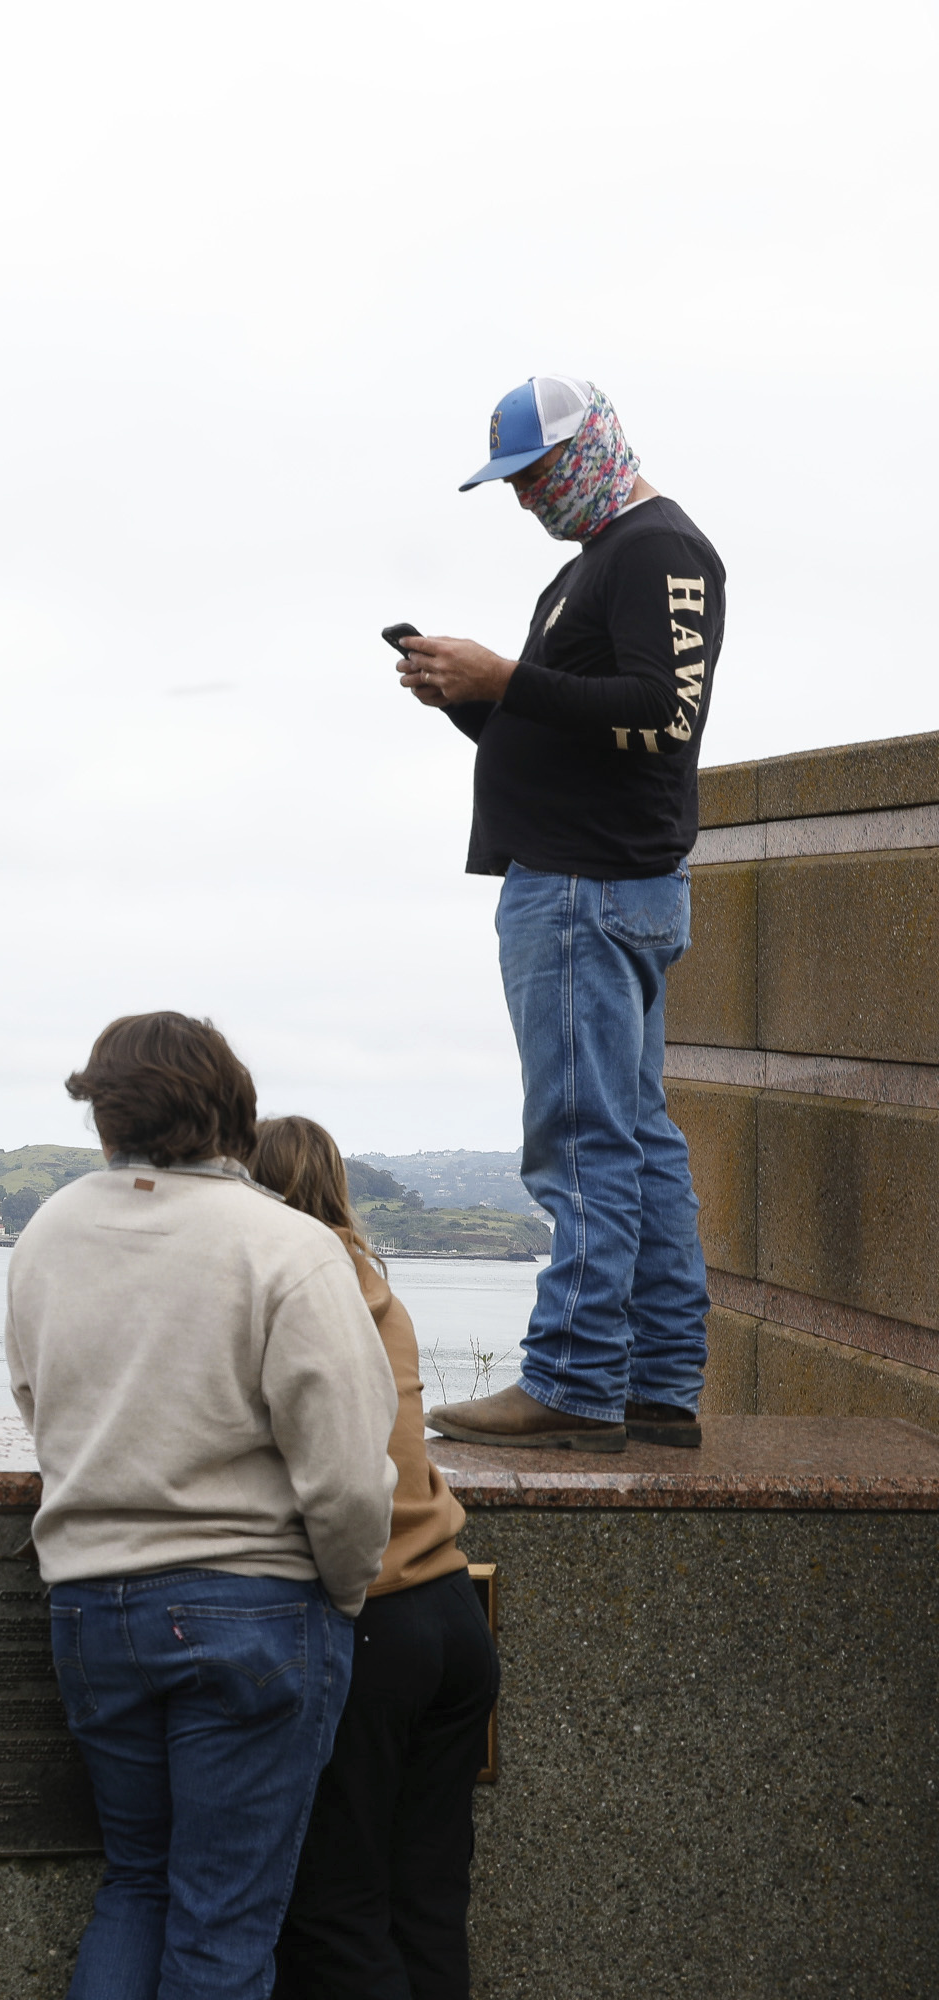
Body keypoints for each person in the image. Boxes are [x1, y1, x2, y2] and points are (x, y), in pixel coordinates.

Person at [7, 1012, 397, 2000]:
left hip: (92, 1604)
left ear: (107, 1113)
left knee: (136, 1885)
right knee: (223, 1926)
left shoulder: (49, 1231)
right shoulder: (288, 1244)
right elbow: (347, 1473)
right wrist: (344, 1595)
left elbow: (34, 1401)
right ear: (235, 1108)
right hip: (254, 1608)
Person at [395, 378, 719, 1454]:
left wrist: (507, 673)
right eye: (513, 482)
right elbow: (558, 733)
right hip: (596, 879)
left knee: (581, 1140)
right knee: (637, 1137)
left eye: (534, 473)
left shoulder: (657, 551)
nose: (525, 498)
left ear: (591, 448)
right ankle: (660, 1385)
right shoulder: (593, 566)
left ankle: (576, 1380)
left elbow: (659, 717)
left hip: (586, 889)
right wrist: (474, 698)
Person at [250, 1117, 501, 2000]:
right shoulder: (372, 1285)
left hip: (373, 1624)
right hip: (452, 1614)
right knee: (429, 1899)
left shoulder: (284, 1291)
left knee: (337, 1912)